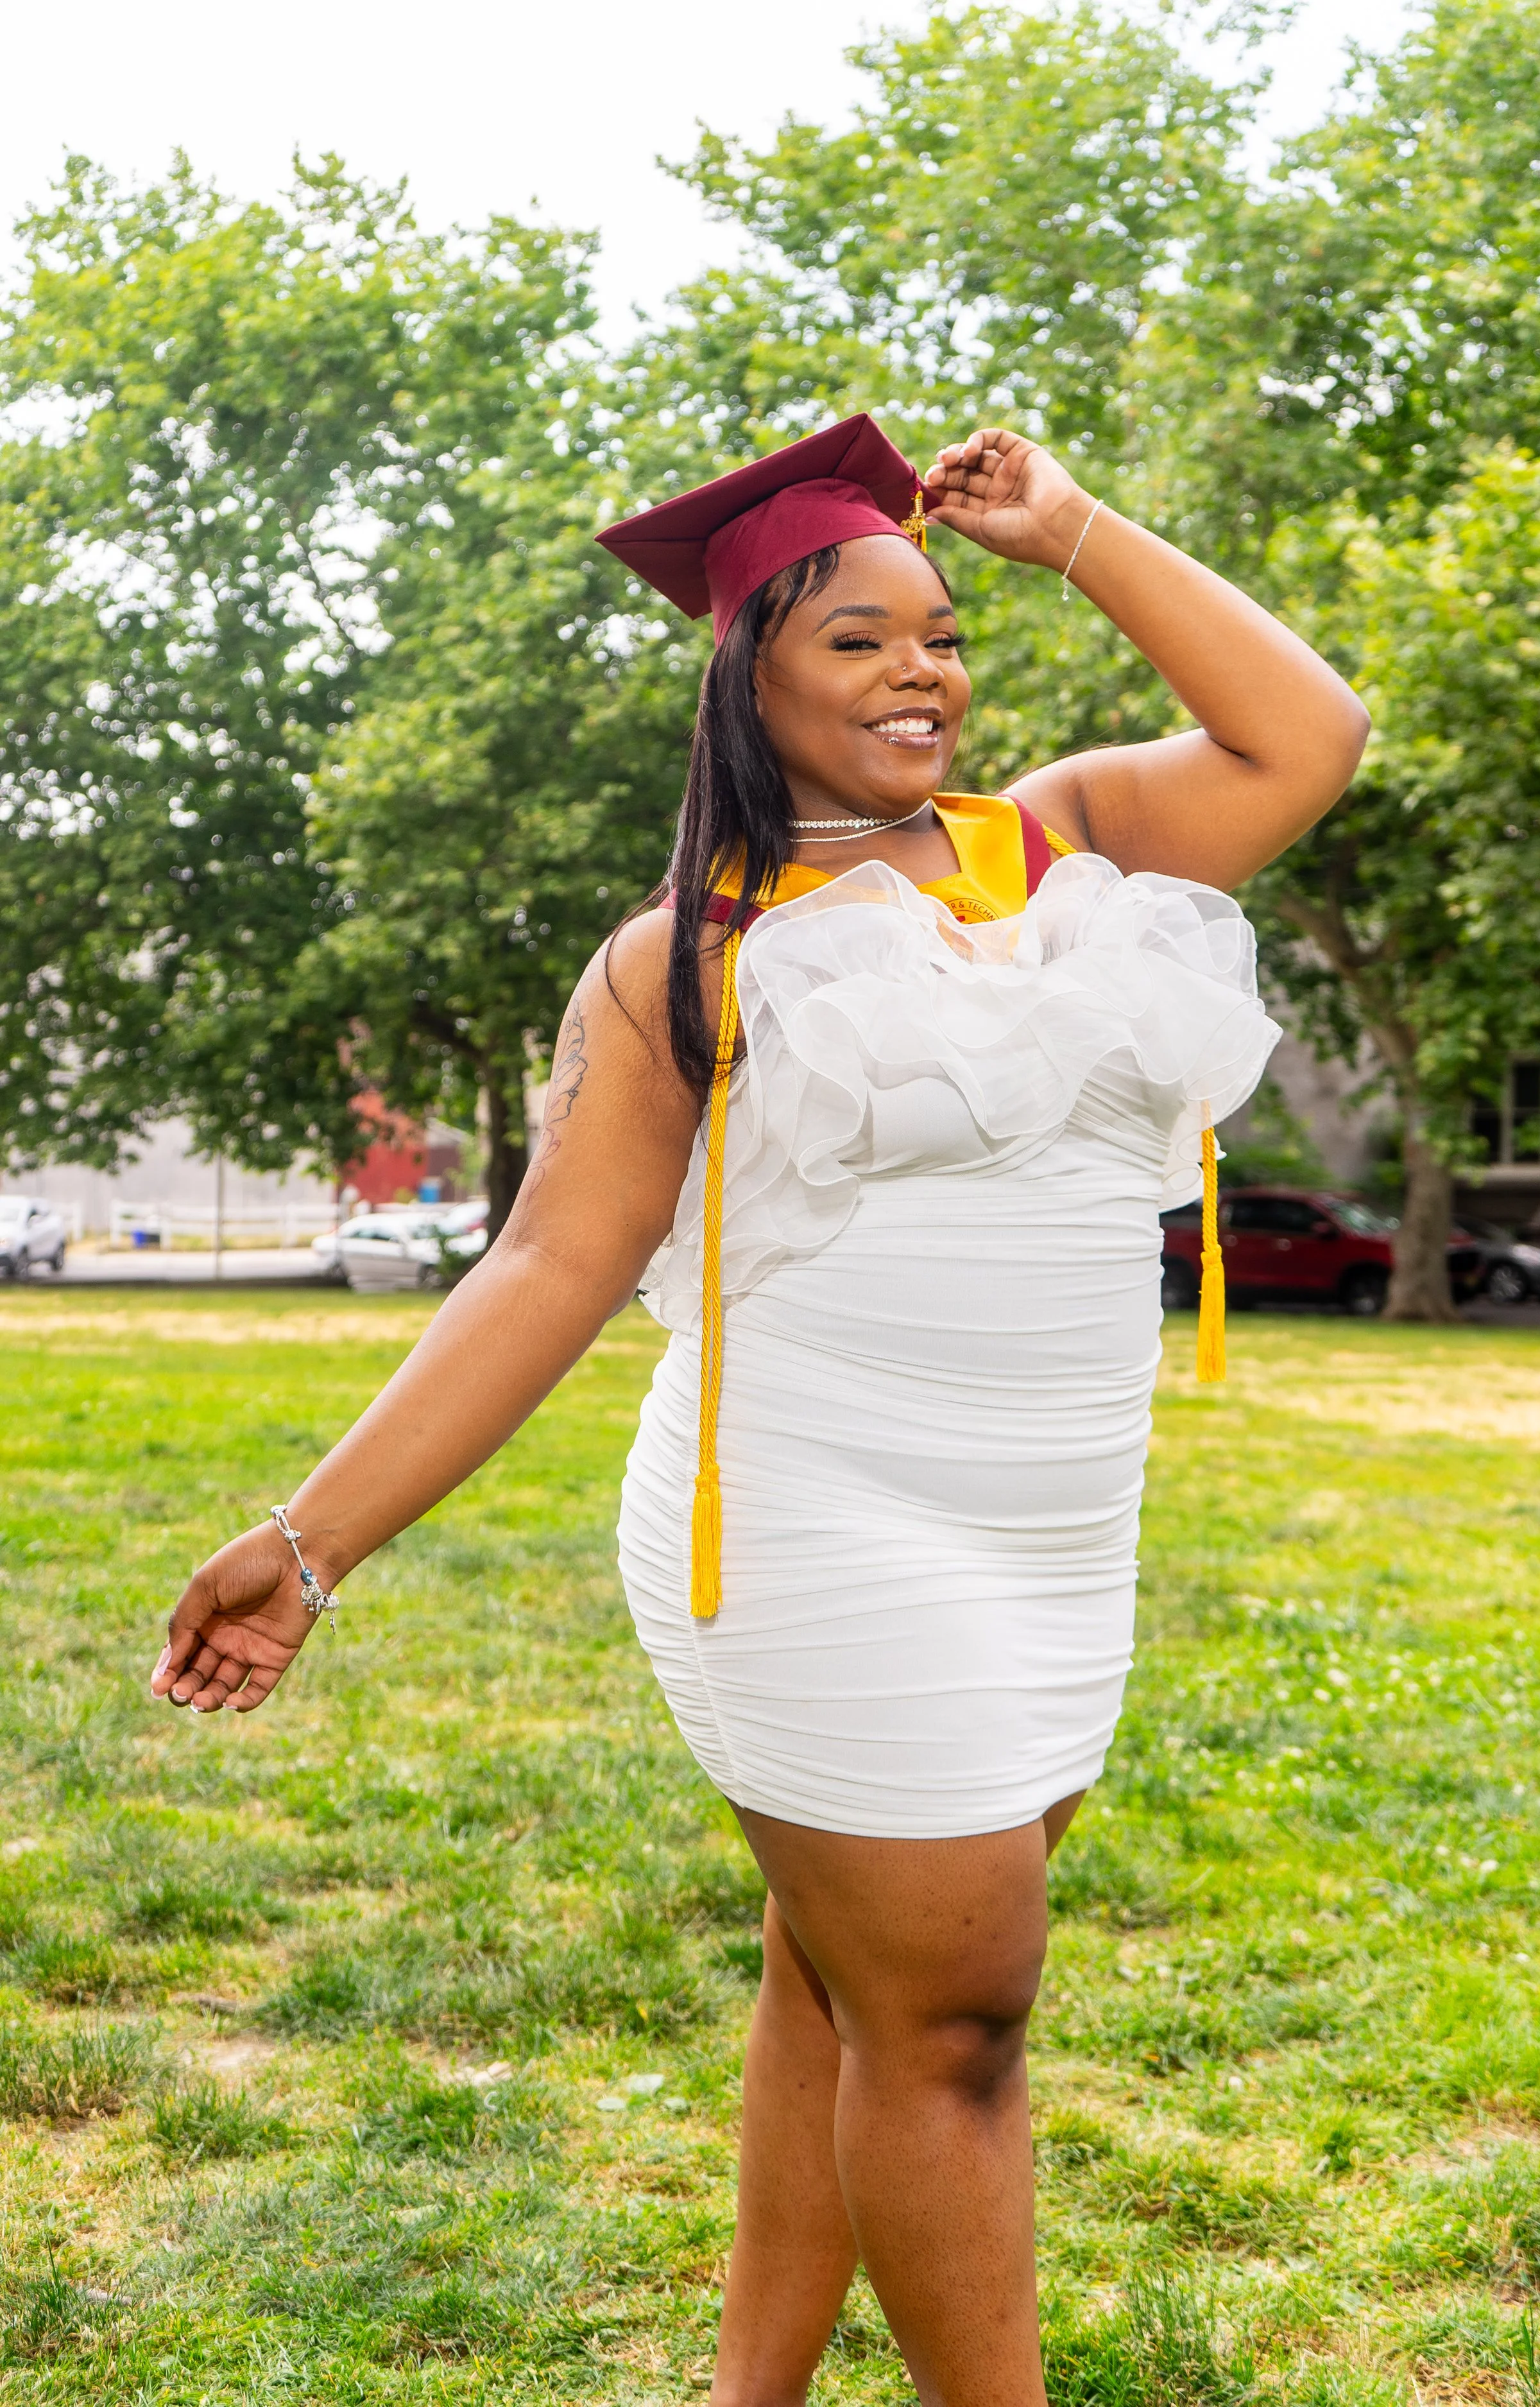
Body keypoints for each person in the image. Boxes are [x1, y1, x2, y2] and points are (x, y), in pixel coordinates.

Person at [151, 415, 1367, 2407]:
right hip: (817, 1529)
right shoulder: (679, 962)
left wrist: (1076, 534)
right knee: (957, 2018)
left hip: (1055, 1532)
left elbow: (1302, 736)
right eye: (857, 642)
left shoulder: (1049, 844)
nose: (921, 673)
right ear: (750, 679)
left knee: (852, 1977)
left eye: (944, 636)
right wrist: (307, 1542)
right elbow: (543, 1272)